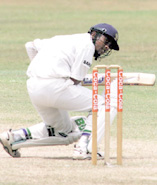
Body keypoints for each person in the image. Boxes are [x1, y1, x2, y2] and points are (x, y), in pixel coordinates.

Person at [0, 23, 119, 159]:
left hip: (34, 87)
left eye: (110, 45)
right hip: (55, 87)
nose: (107, 47)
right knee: (103, 104)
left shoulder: (62, 39)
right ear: (94, 34)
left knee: (64, 132)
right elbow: (75, 80)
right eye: (106, 41)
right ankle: (85, 148)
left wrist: (44, 70)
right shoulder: (88, 45)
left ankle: (14, 137)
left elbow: (30, 45)